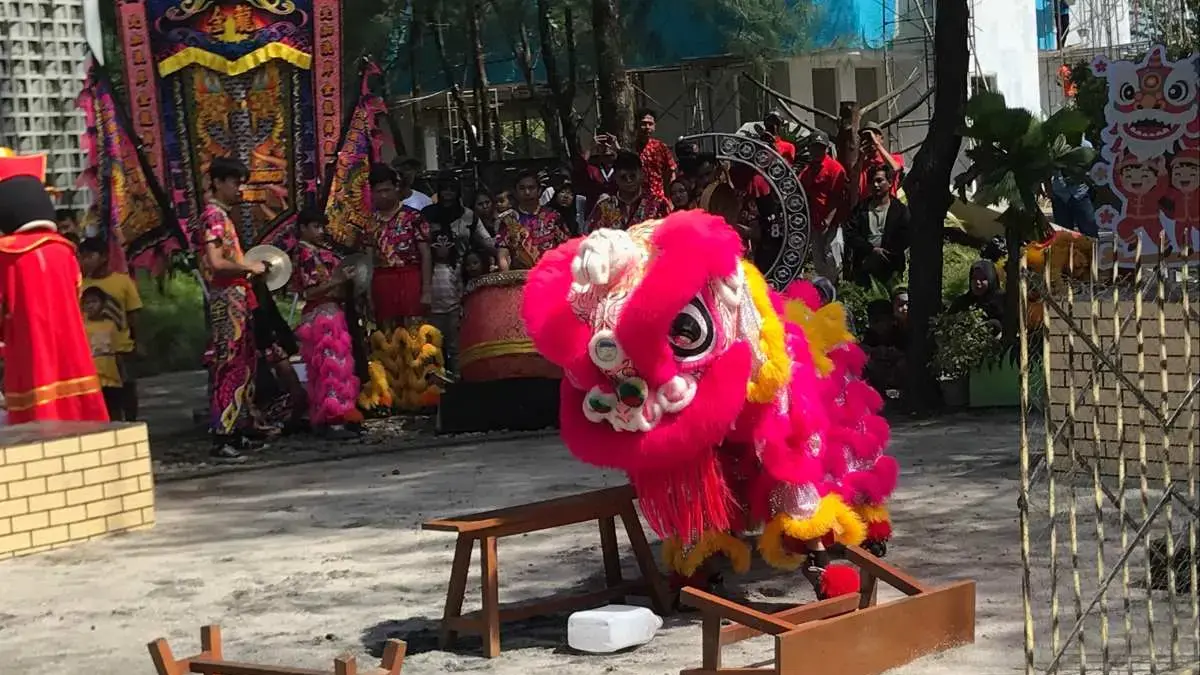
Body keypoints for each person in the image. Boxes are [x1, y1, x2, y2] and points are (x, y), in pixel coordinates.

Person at [0, 152, 108, 423]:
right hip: (71, 349)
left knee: (36, 422)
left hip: (29, 352)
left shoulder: (5, 255)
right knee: (80, 420)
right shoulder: (66, 251)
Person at [195, 157, 267, 460]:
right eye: (236, 182)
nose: (240, 189)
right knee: (228, 363)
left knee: (242, 363)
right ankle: (222, 435)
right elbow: (215, 262)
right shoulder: (213, 216)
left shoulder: (222, 215)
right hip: (226, 297)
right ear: (219, 182)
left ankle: (237, 428)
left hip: (237, 295)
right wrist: (247, 265)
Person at [292, 209, 361, 439]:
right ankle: (333, 421)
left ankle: (331, 417)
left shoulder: (317, 252)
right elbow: (310, 292)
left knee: (330, 368)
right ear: (302, 228)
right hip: (321, 316)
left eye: (322, 227)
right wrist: (338, 280)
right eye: (315, 227)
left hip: (330, 312)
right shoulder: (304, 254)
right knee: (330, 368)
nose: (320, 232)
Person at [79, 236, 143, 421]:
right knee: (104, 394)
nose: (85, 261)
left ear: (104, 256)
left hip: (121, 348)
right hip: (94, 351)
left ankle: (132, 424)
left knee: (127, 389)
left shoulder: (122, 282)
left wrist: (137, 342)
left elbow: (133, 314)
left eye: (90, 256)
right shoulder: (80, 285)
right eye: (82, 257)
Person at [366, 163, 432, 327]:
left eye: (387, 190)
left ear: (396, 188)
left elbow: (426, 255)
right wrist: (368, 296)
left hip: (410, 279)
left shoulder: (414, 217)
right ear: (372, 193)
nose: (384, 196)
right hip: (381, 283)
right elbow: (367, 260)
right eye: (379, 192)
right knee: (387, 338)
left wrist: (426, 291)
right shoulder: (370, 223)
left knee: (415, 337)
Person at [845, 165, 910, 287]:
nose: (875, 185)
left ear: (890, 183)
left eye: (879, 181)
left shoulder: (899, 210)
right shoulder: (860, 209)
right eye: (872, 181)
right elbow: (850, 234)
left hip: (891, 268)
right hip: (864, 266)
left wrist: (885, 252)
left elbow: (905, 236)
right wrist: (871, 250)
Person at [799, 132, 850, 282]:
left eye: (820, 148)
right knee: (819, 260)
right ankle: (826, 291)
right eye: (814, 147)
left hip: (832, 223)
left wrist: (828, 219)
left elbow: (838, 197)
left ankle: (837, 289)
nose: (817, 151)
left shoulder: (835, 169)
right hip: (815, 224)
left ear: (826, 149)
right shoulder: (807, 171)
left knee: (832, 256)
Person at [497, 170, 570, 271]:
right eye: (522, 188)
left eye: (531, 188)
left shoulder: (553, 216)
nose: (527, 192)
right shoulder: (509, 220)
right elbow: (503, 254)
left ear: (539, 191)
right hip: (522, 280)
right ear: (515, 192)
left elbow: (566, 247)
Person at [585, 150, 672, 232]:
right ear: (615, 177)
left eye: (633, 176)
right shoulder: (604, 206)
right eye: (623, 177)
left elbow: (668, 235)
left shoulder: (658, 204)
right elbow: (592, 238)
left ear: (642, 174)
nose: (629, 181)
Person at [81, 286, 127, 419]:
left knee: (115, 410)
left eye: (94, 302)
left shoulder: (111, 325)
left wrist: (122, 373)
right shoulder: (82, 326)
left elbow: (117, 351)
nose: (91, 306)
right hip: (92, 378)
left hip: (111, 377)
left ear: (102, 304)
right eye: (87, 303)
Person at [853, 122, 904, 205]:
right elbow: (854, 180)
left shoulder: (894, 158)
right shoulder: (862, 164)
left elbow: (895, 168)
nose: (870, 140)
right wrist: (861, 155)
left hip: (888, 207)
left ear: (882, 139)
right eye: (865, 138)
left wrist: (877, 144)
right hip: (868, 208)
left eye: (874, 135)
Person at [948, 260, 1005, 333]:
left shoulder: (1002, 301)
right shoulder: (961, 303)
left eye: (983, 279)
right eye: (974, 278)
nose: (977, 282)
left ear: (991, 280)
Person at [634, 108, 677, 201]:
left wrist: (670, 198)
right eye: (644, 124)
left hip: (659, 199)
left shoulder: (661, 147)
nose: (647, 127)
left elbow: (671, 174)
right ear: (636, 125)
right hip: (636, 200)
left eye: (650, 124)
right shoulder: (631, 148)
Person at [573, 134, 619, 214]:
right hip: (594, 212)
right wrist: (590, 148)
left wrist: (617, 147)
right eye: (605, 155)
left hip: (617, 211)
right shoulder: (592, 169)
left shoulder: (621, 169)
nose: (607, 148)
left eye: (611, 155)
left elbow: (632, 165)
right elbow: (579, 169)